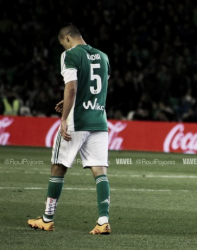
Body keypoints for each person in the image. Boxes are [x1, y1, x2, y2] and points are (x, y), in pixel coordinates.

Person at [27, 23, 112, 234]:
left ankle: (47, 219)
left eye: (62, 44)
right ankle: (103, 221)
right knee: (100, 171)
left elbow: (72, 86)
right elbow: (95, 88)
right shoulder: (103, 56)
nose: (63, 49)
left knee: (58, 166)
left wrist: (64, 118)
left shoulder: (70, 55)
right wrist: (68, 101)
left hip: (77, 121)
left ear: (66, 39)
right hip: (99, 120)